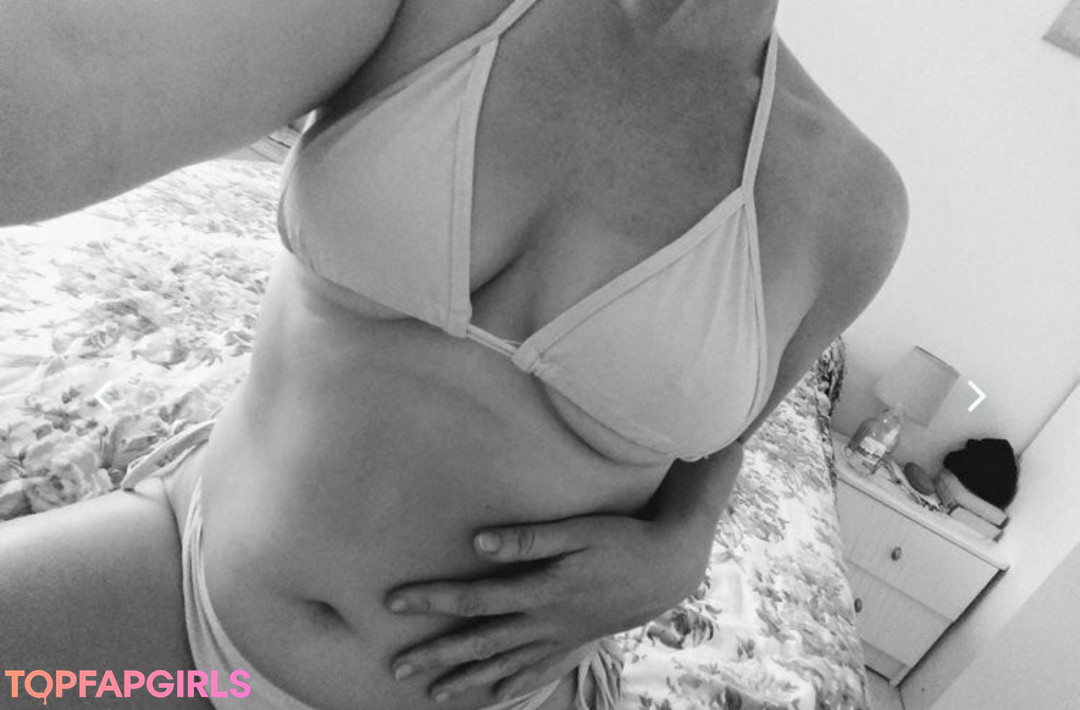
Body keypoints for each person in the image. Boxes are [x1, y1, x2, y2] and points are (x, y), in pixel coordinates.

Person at [0, 0, 907, 708]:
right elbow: (76, 81)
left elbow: (725, 440)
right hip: (189, 603)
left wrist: (685, 550)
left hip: (502, 697)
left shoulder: (849, 205)